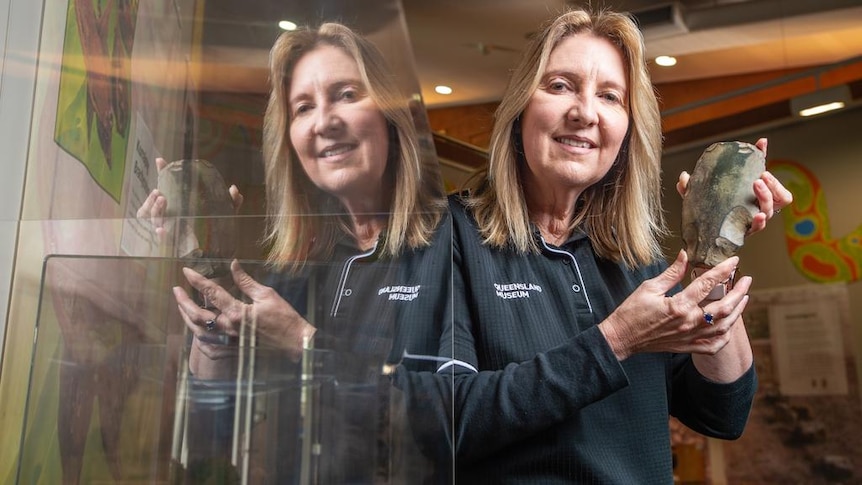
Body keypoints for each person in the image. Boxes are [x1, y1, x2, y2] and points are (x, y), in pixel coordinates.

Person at [447, 8, 792, 483]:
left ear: (628, 129)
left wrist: (711, 263)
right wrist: (617, 340)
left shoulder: (635, 261)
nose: (584, 112)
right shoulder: (443, 238)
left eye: (610, 96)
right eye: (560, 85)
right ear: (520, 107)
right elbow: (441, 420)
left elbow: (721, 412)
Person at [139, 22, 451, 483]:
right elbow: (215, 434)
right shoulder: (293, 266)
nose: (324, 121)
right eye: (304, 107)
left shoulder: (456, 245)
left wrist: (304, 343)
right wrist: (211, 299)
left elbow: (451, 421)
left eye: (347, 94)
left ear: (390, 114)